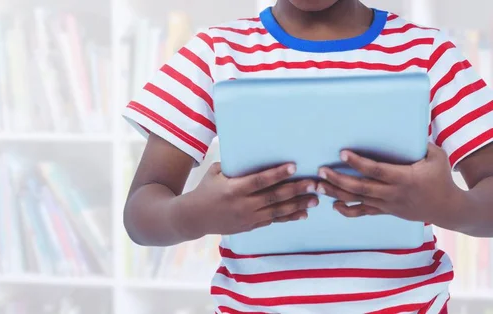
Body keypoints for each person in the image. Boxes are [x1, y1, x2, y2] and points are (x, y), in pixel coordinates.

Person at [121, 0, 493, 312]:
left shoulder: (430, 54)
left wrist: (449, 206)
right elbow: (140, 214)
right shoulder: (215, 53)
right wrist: (193, 215)